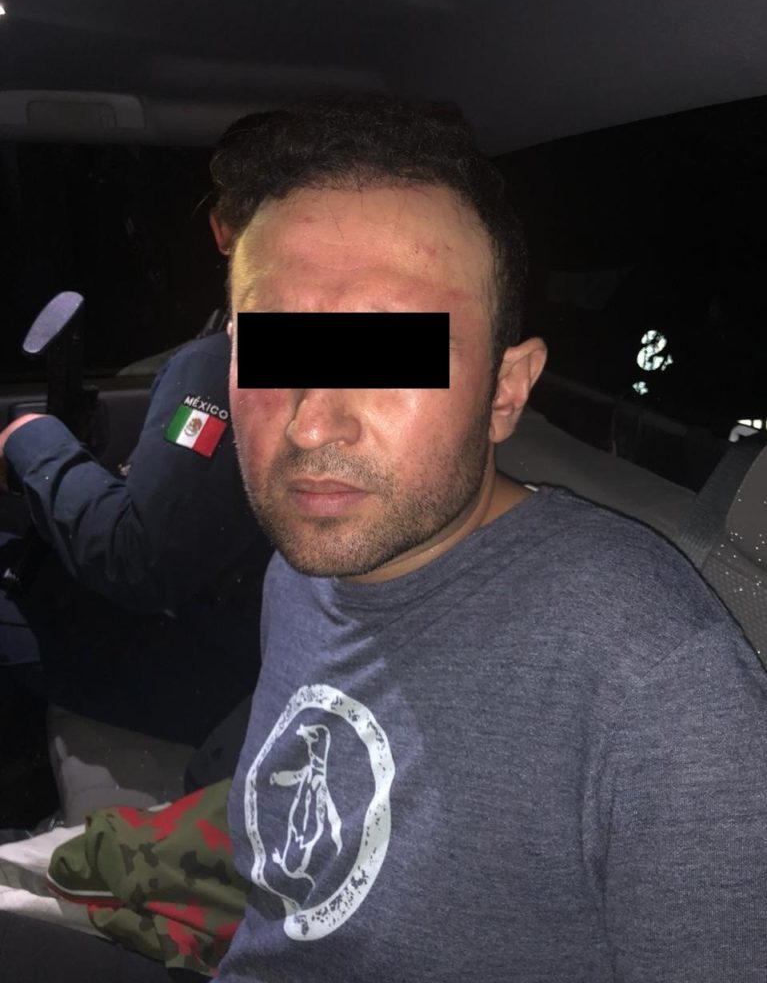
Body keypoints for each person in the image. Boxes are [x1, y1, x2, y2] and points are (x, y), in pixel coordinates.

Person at [3, 94, 767, 981]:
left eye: (391, 354)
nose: (312, 425)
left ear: (506, 392)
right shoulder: (308, 568)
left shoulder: (661, 685)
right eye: (273, 350)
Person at [0, 205, 271, 748]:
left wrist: (33, 441)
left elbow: (137, 560)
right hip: (250, 641)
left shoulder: (224, 361)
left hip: (228, 684)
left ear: (222, 229)